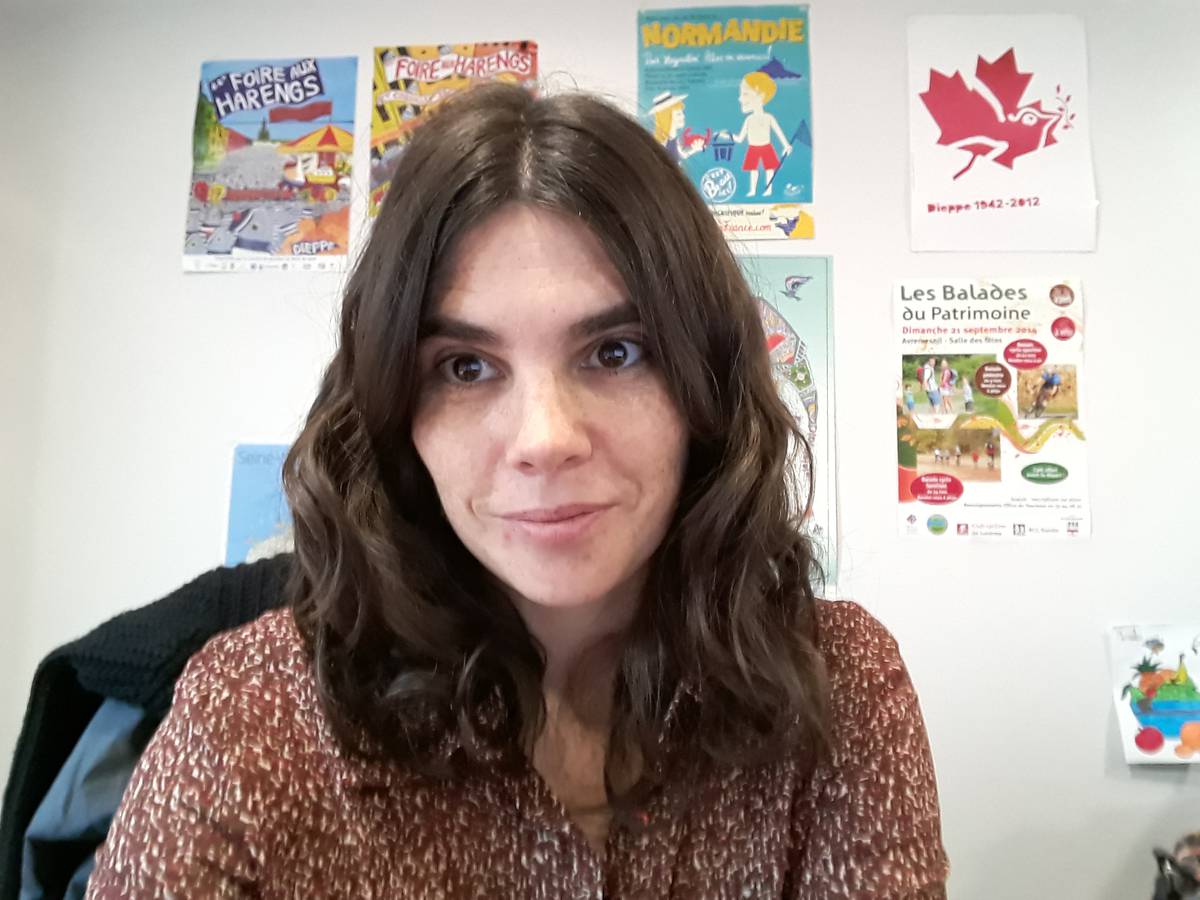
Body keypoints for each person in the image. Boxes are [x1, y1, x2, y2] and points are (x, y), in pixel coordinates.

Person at [87, 84, 947, 898]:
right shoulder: (251, 720)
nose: (544, 440)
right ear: (394, 411)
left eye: (615, 353)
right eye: (465, 367)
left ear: (705, 388)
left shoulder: (838, 686)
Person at [734, 72, 791, 197]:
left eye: (745, 94)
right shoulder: (748, 119)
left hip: (766, 147)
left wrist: (786, 145)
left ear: (760, 95)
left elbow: (778, 132)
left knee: (769, 169)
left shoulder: (768, 117)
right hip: (753, 148)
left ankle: (768, 189)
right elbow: (740, 138)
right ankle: (753, 190)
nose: (740, 99)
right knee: (753, 170)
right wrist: (728, 136)